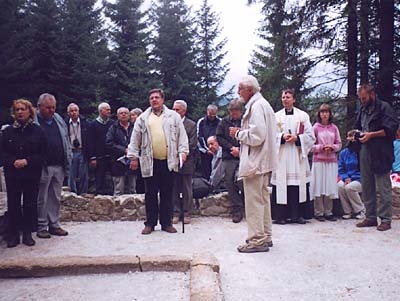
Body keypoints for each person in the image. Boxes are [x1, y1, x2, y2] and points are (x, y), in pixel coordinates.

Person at [128, 89, 189, 235]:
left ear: (162, 99)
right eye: (151, 98)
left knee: (167, 193)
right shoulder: (143, 118)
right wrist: (133, 157)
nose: (154, 100)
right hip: (150, 161)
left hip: (168, 161)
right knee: (150, 194)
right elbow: (135, 139)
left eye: (157, 97)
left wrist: (183, 152)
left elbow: (182, 136)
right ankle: (150, 223)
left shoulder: (173, 116)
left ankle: (166, 223)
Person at [229, 75, 277, 253]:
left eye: (240, 88)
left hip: (256, 162)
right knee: (263, 200)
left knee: (254, 201)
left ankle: (257, 239)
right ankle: (266, 235)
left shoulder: (256, 107)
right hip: (264, 161)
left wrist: (238, 133)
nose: (238, 91)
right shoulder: (263, 105)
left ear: (249, 89)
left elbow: (257, 136)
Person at [2, 99, 46, 247]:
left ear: (30, 112)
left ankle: (27, 234)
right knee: (13, 204)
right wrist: (13, 161)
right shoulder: (7, 131)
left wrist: (27, 161)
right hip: (13, 174)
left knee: (29, 204)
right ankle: (13, 235)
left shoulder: (38, 131)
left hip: (31, 174)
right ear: (14, 113)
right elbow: (2, 153)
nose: (20, 112)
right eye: (17, 109)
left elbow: (42, 154)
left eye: (23, 109)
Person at [354, 84, 398, 231]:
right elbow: (359, 126)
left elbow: (391, 130)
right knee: (367, 184)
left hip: (381, 150)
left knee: (383, 185)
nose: (362, 101)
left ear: (372, 95)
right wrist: (355, 135)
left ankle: (385, 219)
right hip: (365, 149)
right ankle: (370, 216)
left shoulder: (385, 108)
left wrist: (371, 135)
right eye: (361, 99)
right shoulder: (362, 109)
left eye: (364, 98)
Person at [270, 89, 315, 224]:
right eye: (283, 97)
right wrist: (281, 137)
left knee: (298, 184)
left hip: (297, 155)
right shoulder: (275, 116)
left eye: (288, 97)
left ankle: (298, 215)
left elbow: (310, 136)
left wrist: (297, 138)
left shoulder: (302, 116)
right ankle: (280, 216)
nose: (285, 99)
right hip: (282, 156)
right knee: (282, 184)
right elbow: (271, 135)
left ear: (294, 99)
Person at [36, 93, 72, 239]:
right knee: (42, 198)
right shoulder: (34, 121)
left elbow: (66, 138)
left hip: (59, 164)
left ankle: (54, 224)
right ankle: (41, 226)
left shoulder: (58, 119)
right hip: (43, 166)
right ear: (39, 107)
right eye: (48, 108)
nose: (51, 110)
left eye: (53, 107)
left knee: (56, 197)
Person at [311, 104, 342, 221]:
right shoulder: (315, 127)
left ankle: (328, 211)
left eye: (326, 112)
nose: (324, 114)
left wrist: (332, 147)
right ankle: (318, 212)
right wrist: (321, 147)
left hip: (331, 161)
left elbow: (339, 144)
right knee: (318, 185)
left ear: (330, 114)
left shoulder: (334, 128)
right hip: (319, 160)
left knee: (329, 185)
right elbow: (310, 145)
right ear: (319, 114)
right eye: (322, 112)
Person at [216, 99, 244, 223]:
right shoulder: (224, 122)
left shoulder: (246, 121)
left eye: (236, 111)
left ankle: (246, 204)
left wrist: (241, 150)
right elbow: (219, 137)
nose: (234, 114)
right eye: (232, 111)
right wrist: (231, 147)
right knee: (230, 183)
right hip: (229, 155)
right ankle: (237, 209)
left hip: (245, 156)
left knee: (242, 181)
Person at [172, 100, 197, 225]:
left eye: (178, 110)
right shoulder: (169, 123)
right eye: (174, 109)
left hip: (186, 161)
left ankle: (187, 213)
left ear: (184, 111)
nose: (175, 112)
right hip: (172, 161)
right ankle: (176, 212)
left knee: (187, 189)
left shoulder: (191, 125)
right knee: (174, 187)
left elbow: (192, 144)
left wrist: (183, 153)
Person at [106, 107, 135, 195]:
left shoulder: (135, 127)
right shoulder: (113, 128)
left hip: (133, 161)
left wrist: (132, 151)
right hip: (117, 161)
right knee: (118, 189)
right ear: (118, 116)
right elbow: (108, 143)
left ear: (129, 115)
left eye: (125, 113)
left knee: (132, 188)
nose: (123, 115)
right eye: (121, 113)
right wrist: (123, 150)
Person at [338, 130, 365, 220]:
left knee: (350, 187)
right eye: (349, 136)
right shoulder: (344, 153)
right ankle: (347, 211)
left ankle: (360, 210)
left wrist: (352, 178)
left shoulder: (362, 151)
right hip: (347, 178)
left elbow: (364, 169)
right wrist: (346, 178)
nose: (351, 139)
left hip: (360, 179)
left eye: (353, 137)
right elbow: (341, 168)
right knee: (340, 186)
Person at [88, 102, 114, 195]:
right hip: (99, 157)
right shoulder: (93, 125)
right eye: (107, 109)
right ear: (100, 111)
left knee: (112, 179)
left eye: (109, 109)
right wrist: (92, 157)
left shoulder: (112, 124)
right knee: (99, 179)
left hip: (111, 156)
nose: (109, 111)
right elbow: (90, 142)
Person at [65, 103, 90, 195]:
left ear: (78, 112)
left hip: (82, 150)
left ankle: (83, 192)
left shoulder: (85, 123)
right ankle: (72, 193)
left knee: (83, 173)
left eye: (75, 110)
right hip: (70, 150)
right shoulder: (65, 123)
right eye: (71, 111)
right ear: (68, 113)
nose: (74, 112)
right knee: (71, 173)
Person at [197, 104, 221, 180]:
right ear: (207, 112)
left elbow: (222, 136)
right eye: (210, 115)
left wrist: (217, 149)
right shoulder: (201, 121)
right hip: (205, 152)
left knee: (216, 169)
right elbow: (199, 136)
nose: (211, 117)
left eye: (213, 115)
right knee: (206, 170)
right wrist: (207, 149)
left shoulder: (220, 122)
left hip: (217, 152)